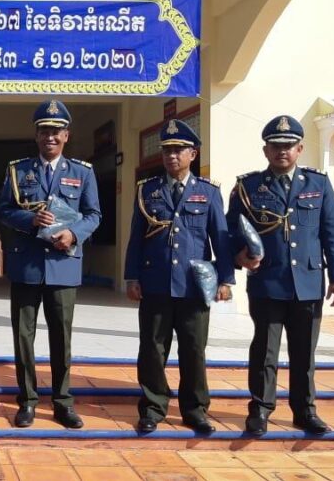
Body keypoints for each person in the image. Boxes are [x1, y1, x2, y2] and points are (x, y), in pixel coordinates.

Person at [226, 115, 334, 436]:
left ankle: (305, 411)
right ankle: (260, 409)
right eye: (276, 145)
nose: (283, 151)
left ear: (300, 149)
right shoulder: (249, 186)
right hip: (267, 281)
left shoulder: (318, 184)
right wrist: (238, 256)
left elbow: (332, 233)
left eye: (289, 145)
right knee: (265, 350)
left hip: (307, 281)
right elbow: (231, 230)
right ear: (265, 150)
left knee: (304, 352)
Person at [123, 119, 235, 434]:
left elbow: (220, 238)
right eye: (167, 150)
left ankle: (195, 410)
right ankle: (152, 407)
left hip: (193, 287)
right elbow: (136, 237)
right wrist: (132, 277)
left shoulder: (208, 192)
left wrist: (225, 280)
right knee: (152, 349)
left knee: (193, 350)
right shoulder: (148, 190)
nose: (172, 156)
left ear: (192, 154)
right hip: (156, 282)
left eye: (178, 150)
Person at [0, 100, 101, 429]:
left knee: (61, 337)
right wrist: (30, 219)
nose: (50, 137)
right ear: (37, 135)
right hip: (26, 265)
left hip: (63, 264)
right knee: (23, 337)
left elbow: (94, 215)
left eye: (56, 131)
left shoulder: (82, 172)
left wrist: (74, 234)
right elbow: (3, 210)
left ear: (66, 135)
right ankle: (27, 401)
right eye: (44, 131)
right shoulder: (18, 170)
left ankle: (62, 402)